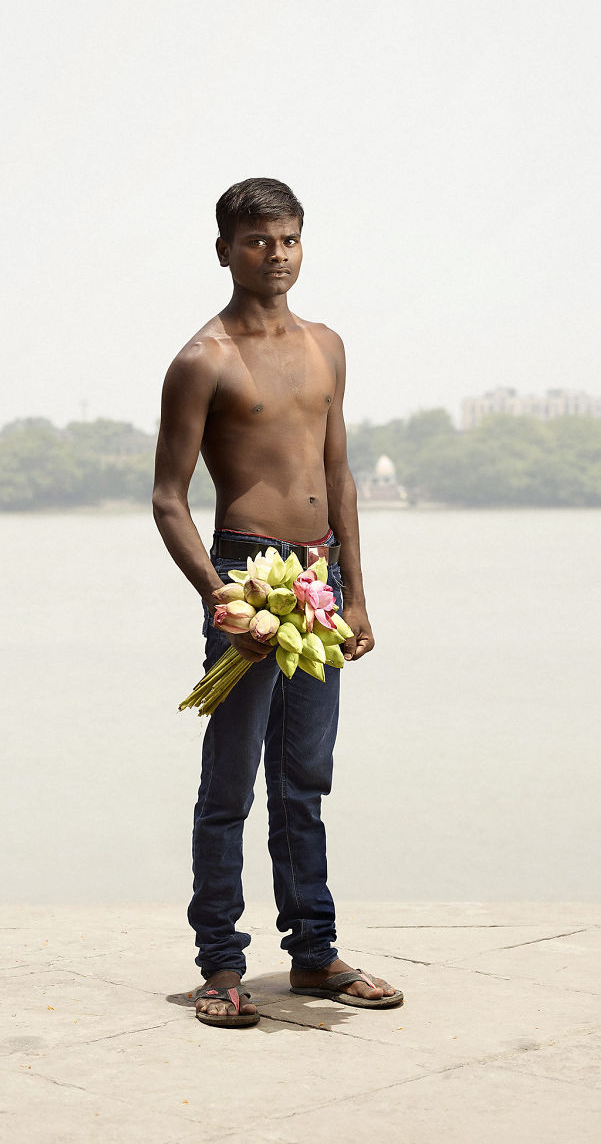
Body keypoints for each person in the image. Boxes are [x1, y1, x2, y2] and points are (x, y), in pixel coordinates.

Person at [152, 178, 403, 1027]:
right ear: (225, 249)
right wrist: (224, 600)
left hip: (319, 579)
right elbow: (166, 499)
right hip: (244, 575)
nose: (278, 254)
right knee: (229, 781)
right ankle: (220, 964)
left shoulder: (328, 345)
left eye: (290, 238)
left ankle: (314, 952)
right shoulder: (204, 358)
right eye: (259, 240)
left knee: (304, 777)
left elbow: (338, 474)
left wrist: (356, 593)